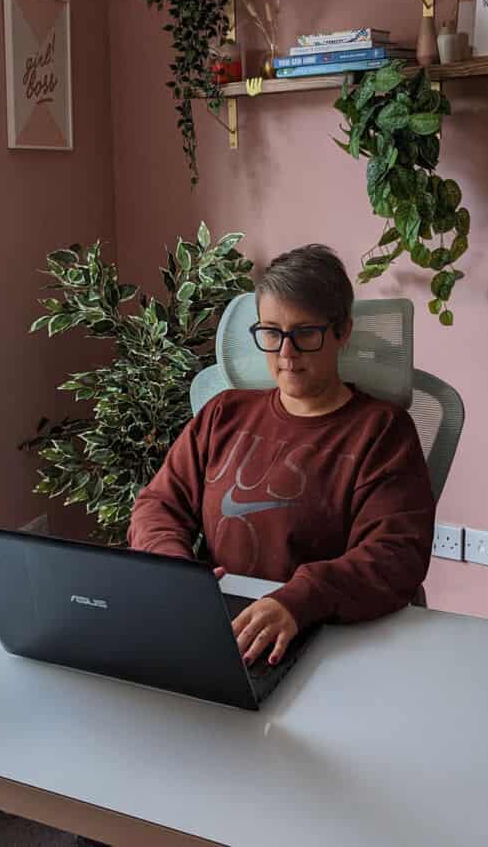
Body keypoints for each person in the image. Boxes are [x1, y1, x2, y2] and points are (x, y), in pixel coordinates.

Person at [128, 243, 436, 670]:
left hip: (325, 633)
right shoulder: (224, 413)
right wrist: (175, 572)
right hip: (222, 623)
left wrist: (299, 599)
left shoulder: (381, 431)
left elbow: (396, 553)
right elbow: (157, 505)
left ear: (342, 331)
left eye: (305, 333)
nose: (286, 355)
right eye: (271, 332)